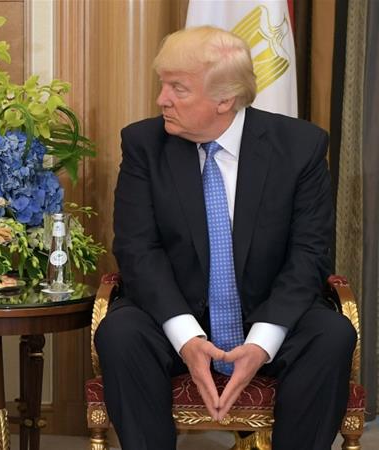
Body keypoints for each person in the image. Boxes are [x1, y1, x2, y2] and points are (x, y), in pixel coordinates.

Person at [95, 26, 356, 450]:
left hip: (269, 311)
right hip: (175, 311)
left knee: (332, 334)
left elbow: (309, 254)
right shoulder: (143, 144)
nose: (162, 99)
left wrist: (262, 342)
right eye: (162, 84)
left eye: (178, 88)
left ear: (225, 99)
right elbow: (137, 249)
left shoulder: (300, 147)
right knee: (120, 333)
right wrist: (187, 337)